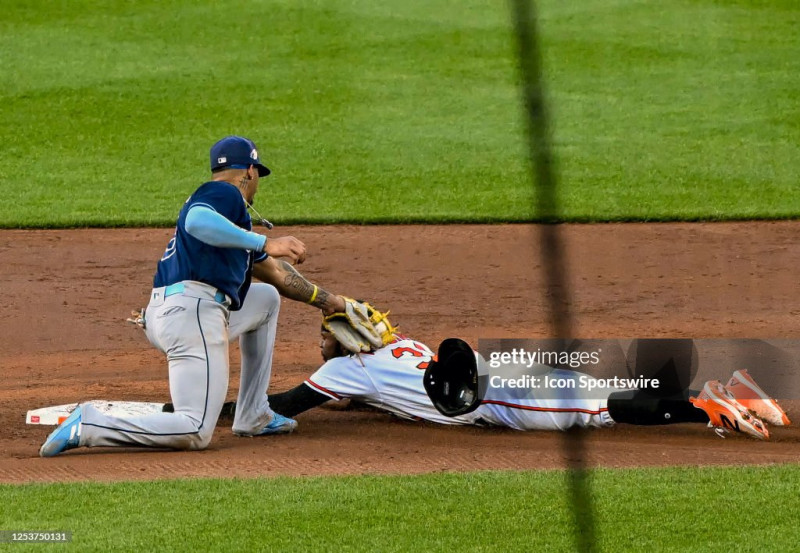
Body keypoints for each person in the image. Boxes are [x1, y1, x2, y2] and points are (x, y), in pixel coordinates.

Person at [40, 136, 354, 457]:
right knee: (194, 428)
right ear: (249, 170)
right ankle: (91, 425)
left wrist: (333, 303)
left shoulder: (232, 227)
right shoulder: (224, 194)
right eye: (257, 173)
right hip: (193, 315)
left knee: (265, 300)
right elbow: (197, 221)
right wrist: (265, 242)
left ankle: (254, 413)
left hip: (172, 312)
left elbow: (277, 275)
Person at [241, 327, 791, 440]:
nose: (323, 345)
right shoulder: (397, 342)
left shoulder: (337, 372)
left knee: (597, 410)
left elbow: (277, 406)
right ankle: (728, 387)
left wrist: (209, 408)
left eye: (328, 338)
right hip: (495, 367)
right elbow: (383, 393)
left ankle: (706, 406)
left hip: (493, 401)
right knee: (596, 388)